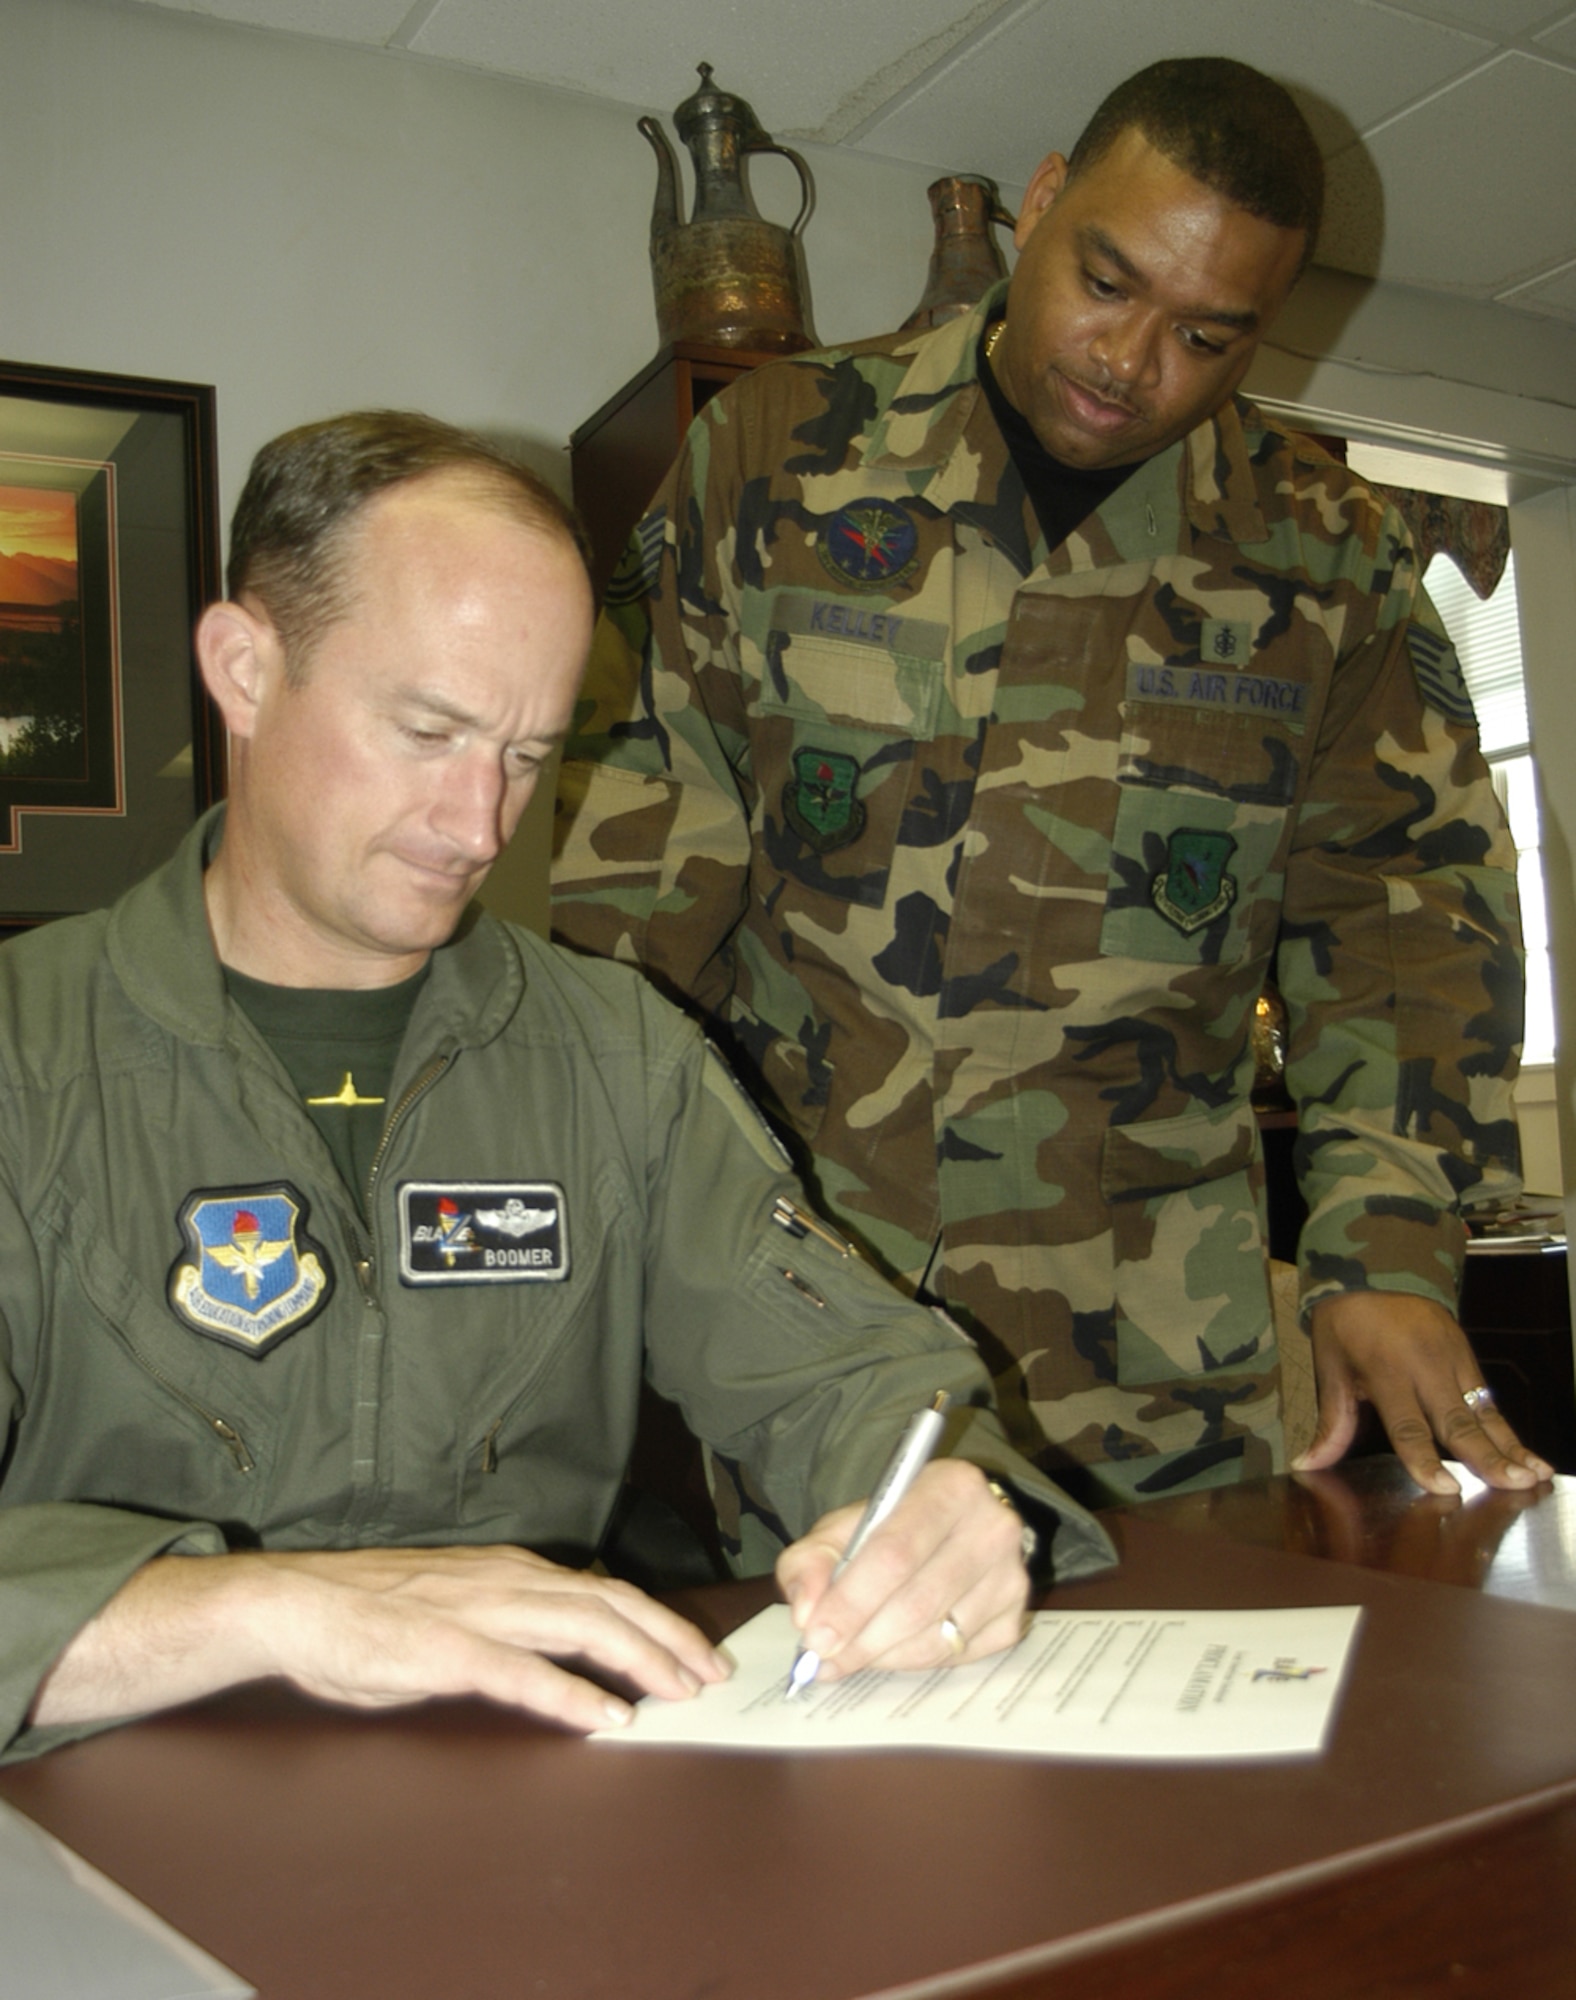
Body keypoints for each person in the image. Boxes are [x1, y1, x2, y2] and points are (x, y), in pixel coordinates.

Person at [0, 411, 1116, 1767]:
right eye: (429, 731)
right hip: (100, 1849)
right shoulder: (24, 1059)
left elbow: (853, 1374)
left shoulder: (612, 1055)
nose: (481, 827)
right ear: (244, 669)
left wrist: (939, 1489)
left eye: (527, 757)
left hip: (531, 1812)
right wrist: (264, 1610)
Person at [551, 57, 1548, 1516]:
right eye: (1107, 280)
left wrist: (1385, 1250)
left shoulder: (1327, 556)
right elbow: (629, 897)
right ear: (1037, 207)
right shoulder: (774, 456)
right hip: (804, 1340)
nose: (1132, 360)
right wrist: (591, 1235)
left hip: (1153, 1374)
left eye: (1209, 335)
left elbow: (1405, 932)